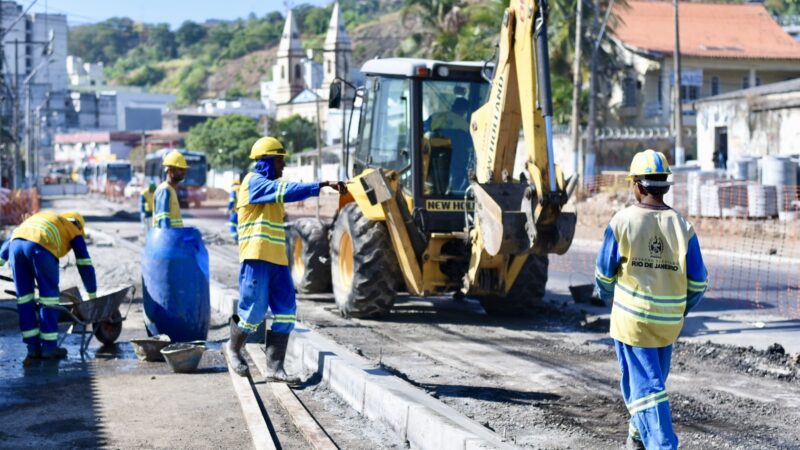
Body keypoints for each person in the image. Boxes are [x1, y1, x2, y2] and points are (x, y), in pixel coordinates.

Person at [595, 149, 708, 450]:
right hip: (669, 324)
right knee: (651, 381)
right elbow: (699, 281)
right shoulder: (683, 227)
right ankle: (636, 438)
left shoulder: (623, 222)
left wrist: (608, 296)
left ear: (638, 186)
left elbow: (604, 274)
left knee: (646, 388)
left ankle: (662, 445)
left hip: (634, 321)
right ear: (665, 186)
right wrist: (681, 308)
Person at [224, 136, 346, 381]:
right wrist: (321, 184)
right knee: (254, 313)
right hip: (256, 257)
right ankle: (233, 348)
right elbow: (285, 190)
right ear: (267, 161)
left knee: (286, 312)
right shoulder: (253, 183)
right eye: (280, 161)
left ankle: (275, 368)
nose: (283, 166)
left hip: (278, 261)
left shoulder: (273, 193)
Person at [0, 211, 97, 360]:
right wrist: (92, 295)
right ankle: (49, 348)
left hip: (16, 247)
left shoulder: (45, 218)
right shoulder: (73, 229)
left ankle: (33, 348)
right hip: (41, 248)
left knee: (24, 299)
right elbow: (84, 264)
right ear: (78, 225)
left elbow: (13, 239)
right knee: (49, 299)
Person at [153, 151, 188, 228]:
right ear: (170, 170)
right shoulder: (164, 190)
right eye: (180, 169)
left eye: (184, 170)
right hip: (167, 238)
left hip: (174, 237)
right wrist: (168, 238)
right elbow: (163, 220)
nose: (184, 173)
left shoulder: (171, 190)